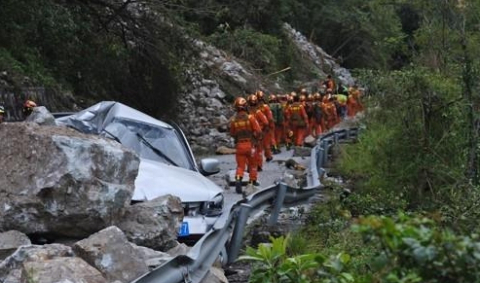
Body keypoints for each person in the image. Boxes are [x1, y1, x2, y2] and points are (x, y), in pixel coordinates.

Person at [229, 97, 262, 193]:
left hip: (239, 145)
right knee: (252, 164)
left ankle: (238, 178)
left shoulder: (234, 120)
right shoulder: (251, 118)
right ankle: (252, 181)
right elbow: (258, 131)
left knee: (240, 166)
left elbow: (232, 133)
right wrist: (257, 139)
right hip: (250, 145)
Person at [247, 94, 269, 172]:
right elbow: (266, 122)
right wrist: (264, 130)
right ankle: (258, 165)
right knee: (259, 150)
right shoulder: (258, 112)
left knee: (250, 150)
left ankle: (250, 166)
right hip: (258, 133)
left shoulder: (246, 113)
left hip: (249, 134)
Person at [255, 90, 275, 161]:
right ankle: (269, 155)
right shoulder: (266, 107)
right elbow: (270, 118)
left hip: (256, 129)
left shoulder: (254, 109)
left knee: (258, 144)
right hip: (265, 127)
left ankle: (257, 159)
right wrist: (270, 126)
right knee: (266, 142)